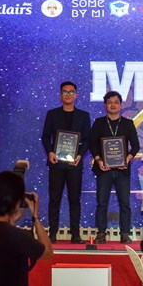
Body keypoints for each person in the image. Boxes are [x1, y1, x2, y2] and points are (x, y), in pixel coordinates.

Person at [41, 81, 91, 244]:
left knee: (74, 199)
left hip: (74, 164)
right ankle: (52, 233)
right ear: (60, 95)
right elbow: (45, 136)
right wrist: (50, 152)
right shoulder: (52, 114)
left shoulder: (84, 116)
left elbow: (87, 139)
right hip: (56, 163)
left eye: (71, 92)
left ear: (76, 95)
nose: (68, 94)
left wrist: (80, 155)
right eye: (65, 92)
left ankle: (75, 235)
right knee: (54, 199)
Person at [89, 91, 140, 244]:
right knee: (102, 202)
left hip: (122, 170)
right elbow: (92, 143)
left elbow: (135, 146)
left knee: (125, 203)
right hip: (103, 169)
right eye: (109, 102)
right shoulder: (99, 122)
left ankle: (125, 233)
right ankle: (101, 233)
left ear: (121, 105)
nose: (113, 105)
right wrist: (98, 160)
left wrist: (127, 159)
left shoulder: (128, 123)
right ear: (105, 105)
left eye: (116, 102)